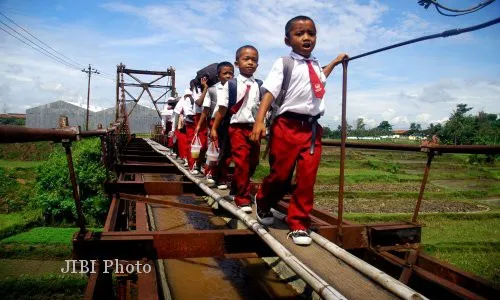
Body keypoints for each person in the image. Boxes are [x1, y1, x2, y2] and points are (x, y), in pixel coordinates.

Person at [250, 16, 348, 245]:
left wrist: (335, 61)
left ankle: (298, 224)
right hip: (287, 125)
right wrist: (259, 120)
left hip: (312, 129)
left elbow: (320, 79)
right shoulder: (284, 63)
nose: (306, 38)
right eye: (299, 33)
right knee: (280, 175)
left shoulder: (314, 64)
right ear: (288, 40)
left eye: (311, 33)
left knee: (306, 178)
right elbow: (270, 93)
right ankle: (263, 201)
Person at [212, 46, 262, 213]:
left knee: (253, 161)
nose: (250, 63)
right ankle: (242, 198)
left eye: (254, 60)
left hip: (254, 128)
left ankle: (236, 187)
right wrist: (214, 128)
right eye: (246, 59)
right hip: (237, 128)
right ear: (237, 63)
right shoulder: (231, 84)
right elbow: (222, 109)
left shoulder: (260, 85)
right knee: (241, 162)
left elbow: (263, 109)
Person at [195, 62, 234, 185]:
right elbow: (206, 109)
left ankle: (221, 176)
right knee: (214, 149)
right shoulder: (212, 90)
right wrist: (199, 125)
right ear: (218, 76)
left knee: (226, 151)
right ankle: (210, 172)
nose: (228, 76)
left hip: (229, 121)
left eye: (231, 73)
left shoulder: (235, 87)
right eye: (225, 73)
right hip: (215, 122)